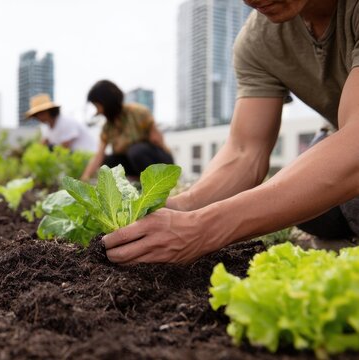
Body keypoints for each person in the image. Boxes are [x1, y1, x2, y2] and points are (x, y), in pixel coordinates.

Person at [102, 0, 359, 265]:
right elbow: (245, 152)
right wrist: (184, 207)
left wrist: (205, 228)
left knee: (344, 197)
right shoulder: (258, 41)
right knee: (309, 200)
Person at [80, 80, 174, 181]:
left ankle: (155, 181)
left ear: (106, 102)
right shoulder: (107, 127)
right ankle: (136, 180)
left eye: (98, 106)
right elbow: (99, 155)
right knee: (108, 162)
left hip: (155, 161)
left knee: (136, 151)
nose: (98, 111)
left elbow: (156, 139)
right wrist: (85, 178)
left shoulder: (138, 112)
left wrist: (168, 165)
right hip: (134, 163)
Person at [25, 93, 97, 153]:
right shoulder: (46, 127)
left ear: (50, 111)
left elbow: (64, 148)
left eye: (41, 113)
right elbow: (43, 144)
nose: (39, 117)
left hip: (88, 156)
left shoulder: (66, 121)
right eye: (36, 115)